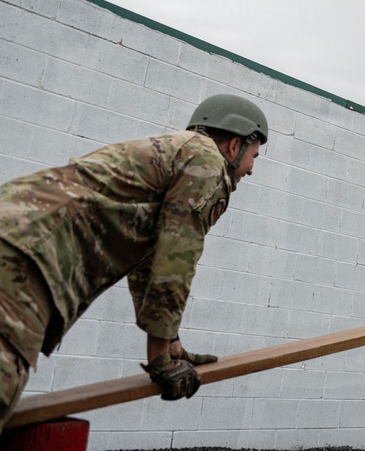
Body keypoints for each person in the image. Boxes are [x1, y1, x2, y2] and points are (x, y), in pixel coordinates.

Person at [0, 94, 268, 430]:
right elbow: (176, 258)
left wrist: (169, 346)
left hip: (17, 241)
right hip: (23, 257)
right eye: (254, 156)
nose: (252, 169)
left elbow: (151, 263)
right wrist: (158, 360)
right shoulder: (206, 162)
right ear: (234, 146)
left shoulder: (176, 153)